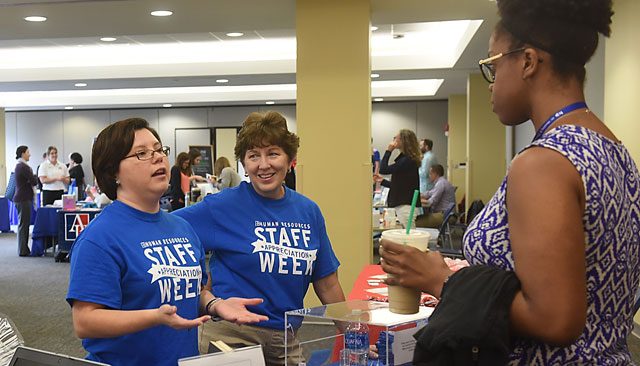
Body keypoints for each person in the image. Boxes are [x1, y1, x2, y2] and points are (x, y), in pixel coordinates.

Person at [380, 0, 640, 364]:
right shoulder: (613, 149)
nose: (491, 83)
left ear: (528, 62)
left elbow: (556, 319)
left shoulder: (543, 163)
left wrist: (442, 281)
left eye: (492, 66)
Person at [66, 118, 267, 366]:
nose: (158, 157)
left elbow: (193, 293)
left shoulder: (182, 228)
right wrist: (154, 316)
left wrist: (215, 304)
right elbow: (85, 322)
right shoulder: (100, 238)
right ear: (113, 172)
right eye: (141, 153)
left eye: (159, 149)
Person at [174, 111, 346, 365]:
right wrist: (203, 292)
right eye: (254, 156)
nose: (263, 165)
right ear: (244, 164)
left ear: (290, 160)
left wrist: (354, 333)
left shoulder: (308, 212)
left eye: (273, 153)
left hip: (287, 339)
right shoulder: (222, 207)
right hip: (231, 336)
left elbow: (327, 283)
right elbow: (168, 230)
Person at [374, 129, 421, 228]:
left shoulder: (407, 160)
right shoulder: (405, 159)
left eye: (396, 138)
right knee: (405, 234)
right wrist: (383, 181)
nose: (393, 140)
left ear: (403, 141)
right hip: (404, 203)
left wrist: (388, 151)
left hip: (405, 205)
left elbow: (383, 169)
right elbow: (400, 185)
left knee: (409, 236)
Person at [13, 145, 38, 257]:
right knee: (24, 225)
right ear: (22, 154)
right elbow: (34, 181)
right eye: (28, 152)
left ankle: (24, 248)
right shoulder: (23, 167)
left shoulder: (21, 166)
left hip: (21, 198)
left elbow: (32, 180)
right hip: (23, 198)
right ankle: (23, 250)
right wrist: (34, 177)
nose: (30, 154)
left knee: (24, 224)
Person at [415, 164, 456, 228]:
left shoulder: (440, 184)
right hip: (446, 215)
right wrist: (420, 196)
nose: (429, 176)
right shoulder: (442, 182)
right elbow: (430, 193)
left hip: (444, 215)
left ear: (435, 174)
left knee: (416, 222)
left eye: (430, 174)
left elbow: (431, 202)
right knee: (418, 219)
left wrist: (417, 200)